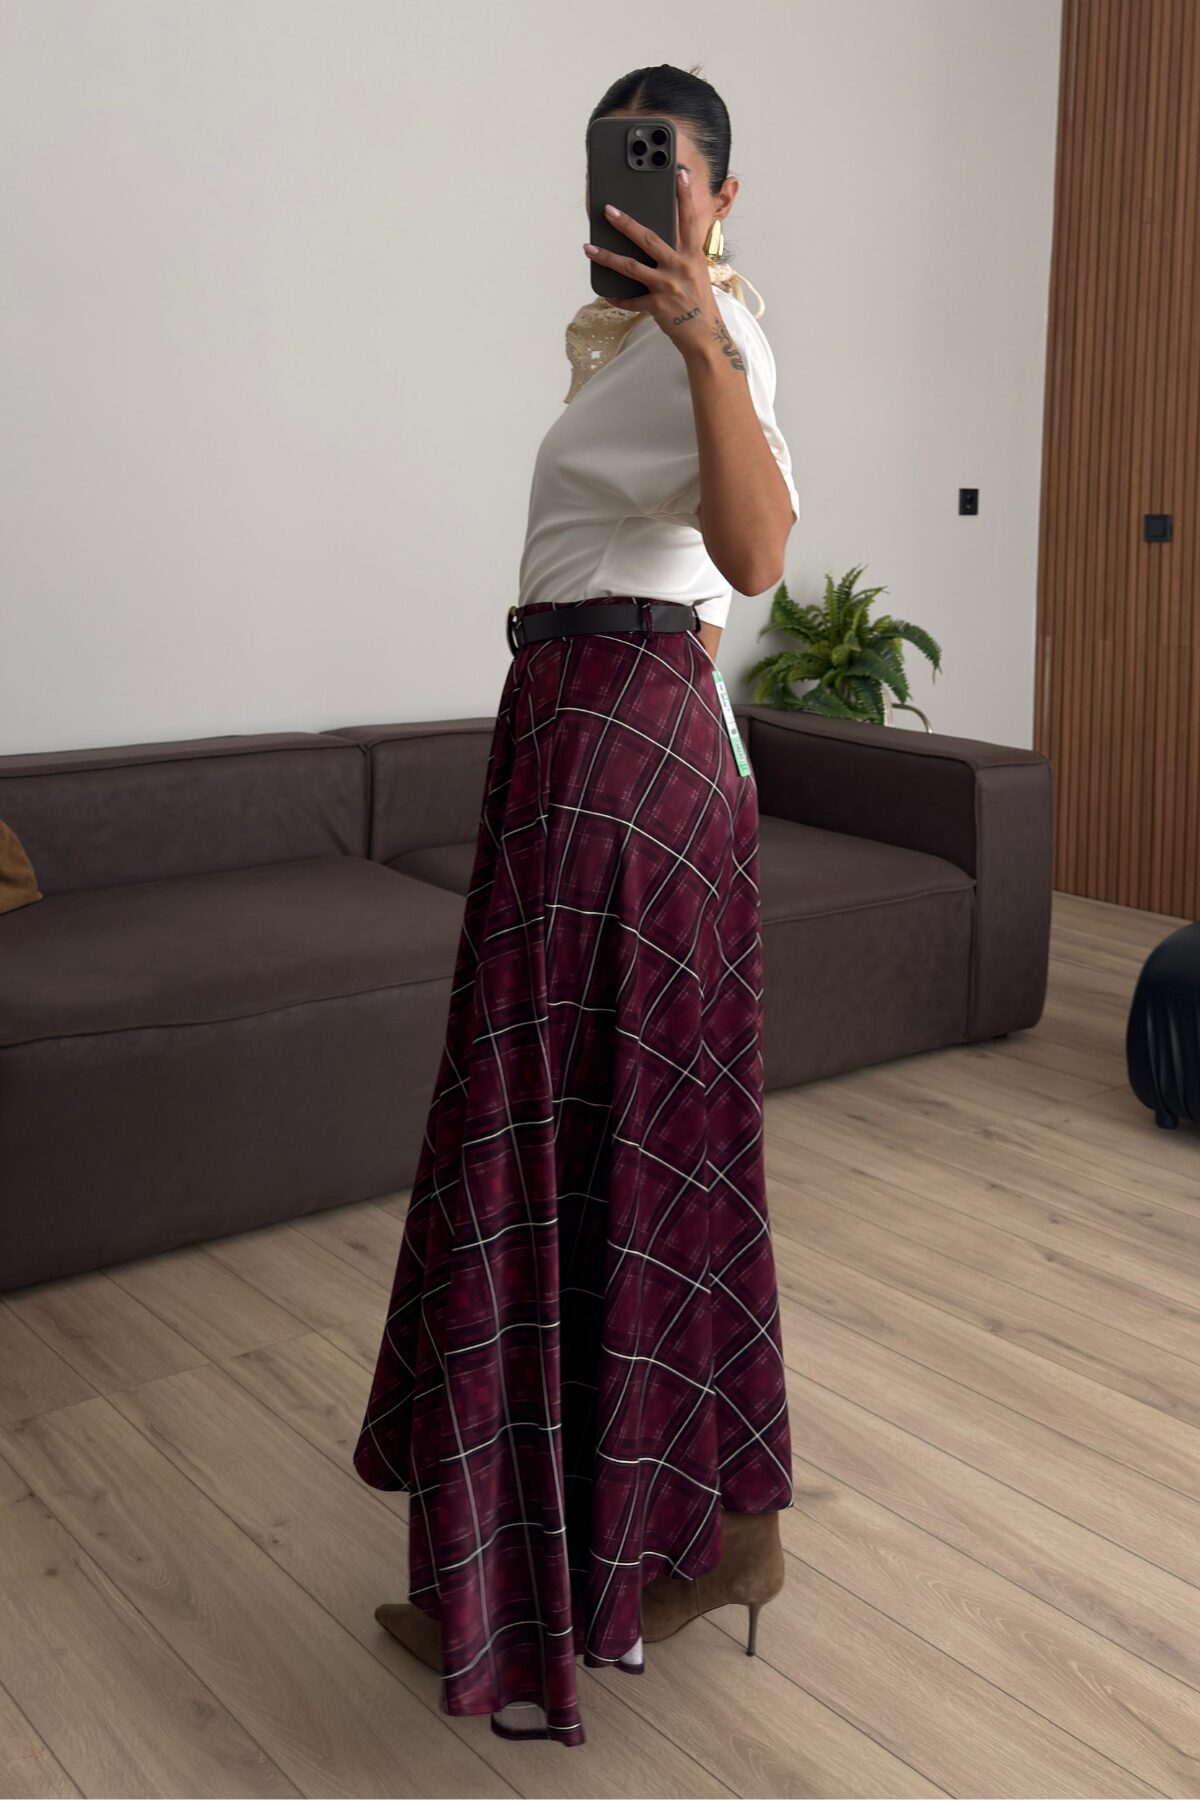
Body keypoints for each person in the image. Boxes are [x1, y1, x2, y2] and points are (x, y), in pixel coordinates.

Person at [351, 62, 798, 1748]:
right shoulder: (634, 350)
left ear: (721, 200)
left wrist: (698, 332)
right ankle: (689, 1535)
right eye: (616, 169)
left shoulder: (718, 339)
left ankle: (565, 1572)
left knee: (562, 1156)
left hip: (616, 750)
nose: (634, 196)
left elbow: (756, 555)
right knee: (606, 1149)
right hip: (595, 732)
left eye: (668, 172)